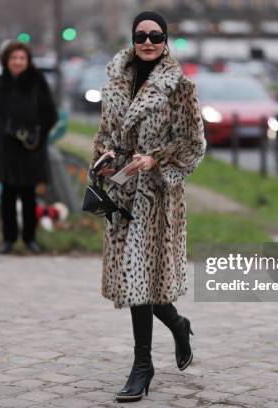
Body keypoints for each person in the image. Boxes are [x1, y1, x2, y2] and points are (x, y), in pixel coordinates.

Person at [90, 11, 206, 402]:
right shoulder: (115, 82)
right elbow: (105, 133)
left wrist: (155, 158)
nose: (149, 41)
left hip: (156, 197)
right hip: (121, 193)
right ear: (133, 39)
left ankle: (142, 366)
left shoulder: (179, 88)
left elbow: (193, 143)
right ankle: (178, 325)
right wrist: (106, 155)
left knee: (142, 281)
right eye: (142, 35)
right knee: (140, 282)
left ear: (166, 39)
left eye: (156, 35)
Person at [0, 41, 58, 255]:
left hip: (29, 147)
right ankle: (8, 239)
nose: (17, 62)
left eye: (22, 58)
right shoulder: (1, 81)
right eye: (14, 58)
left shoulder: (37, 81)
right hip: (6, 147)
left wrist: (38, 134)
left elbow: (50, 114)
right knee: (6, 196)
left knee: (28, 195)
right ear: (7, 61)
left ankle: (30, 239)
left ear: (28, 61)